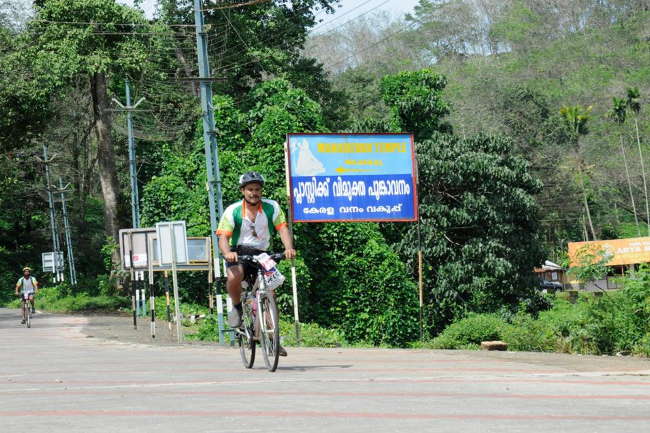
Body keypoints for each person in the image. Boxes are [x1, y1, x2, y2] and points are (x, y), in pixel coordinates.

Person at [216, 171, 296, 355]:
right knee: (234, 276)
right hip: (239, 253)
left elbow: (282, 229)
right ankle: (237, 308)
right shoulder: (233, 210)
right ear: (243, 191)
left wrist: (288, 248)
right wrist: (227, 253)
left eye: (257, 189)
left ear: (261, 191)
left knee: (270, 293)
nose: (254, 193)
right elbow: (223, 237)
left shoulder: (272, 207)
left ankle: (272, 339)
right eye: (250, 189)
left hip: (262, 254)